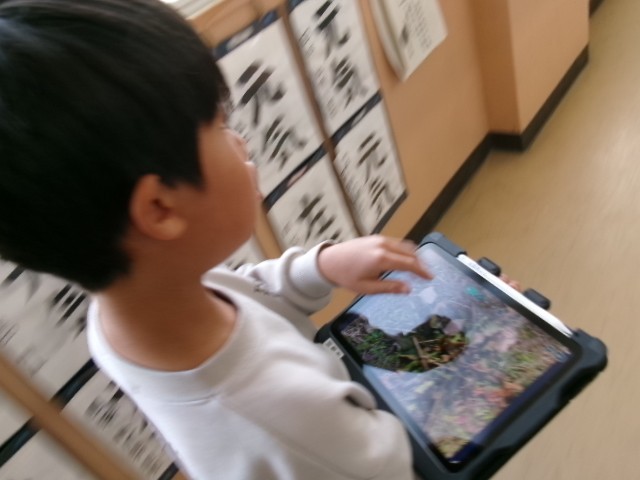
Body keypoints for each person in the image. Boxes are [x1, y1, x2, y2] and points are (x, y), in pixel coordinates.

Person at [0, 1, 433, 478]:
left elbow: (251, 290)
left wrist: (321, 267)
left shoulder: (132, 309)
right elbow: (399, 465)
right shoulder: (281, 411)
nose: (241, 142)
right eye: (221, 125)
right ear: (160, 208)